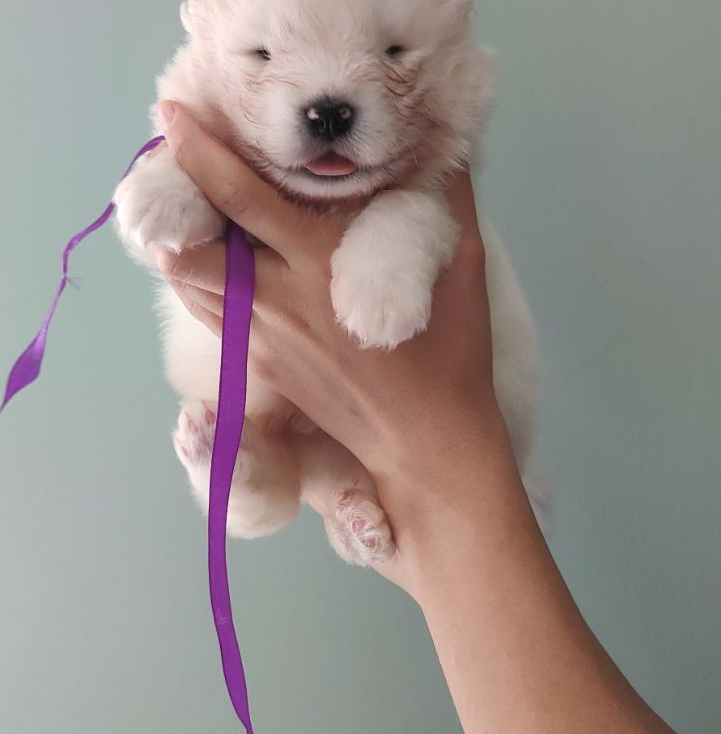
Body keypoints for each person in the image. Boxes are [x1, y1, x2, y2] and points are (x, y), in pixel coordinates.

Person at [154, 101, 674, 734]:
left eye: (394, 55)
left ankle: (276, 481)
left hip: (453, 455)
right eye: (262, 56)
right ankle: (258, 479)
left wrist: (444, 482)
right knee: (283, 471)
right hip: (366, 452)